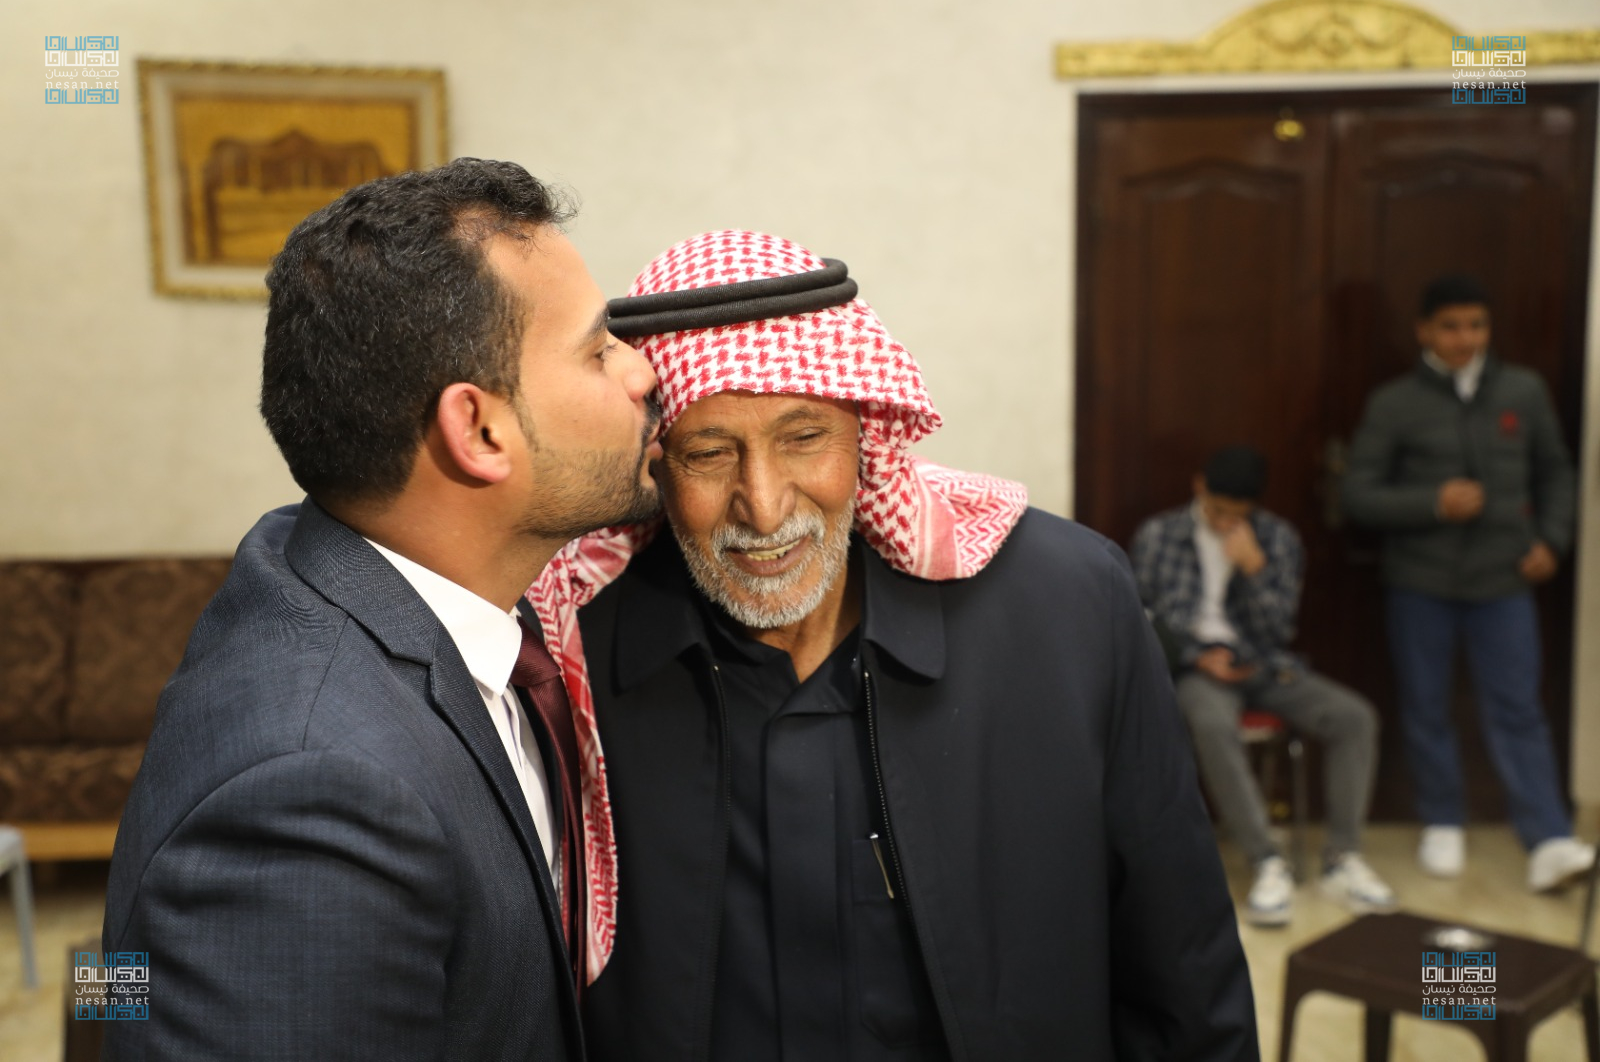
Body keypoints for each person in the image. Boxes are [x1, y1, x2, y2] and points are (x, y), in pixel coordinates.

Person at [523, 230, 1258, 1061]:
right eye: (709, 453)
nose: (764, 506)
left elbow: (1184, 972)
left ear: (866, 433)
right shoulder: (568, 652)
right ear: (655, 465)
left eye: (804, 438)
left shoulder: (1069, 609)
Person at [101, 158, 661, 1059]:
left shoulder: (387, 582)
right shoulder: (313, 791)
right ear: (478, 430)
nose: (641, 372)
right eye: (598, 352)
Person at [1343, 274, 1593, 893]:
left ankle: (1548, 837)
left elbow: (1557, 472)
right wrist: (1433, 503)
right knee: (1426, 705)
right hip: (1420, 582)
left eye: (1476, 325)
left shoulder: (1523, 391)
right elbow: (1358, 495)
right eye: (1451, 327)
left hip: (1503, 580)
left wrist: (1552, 541)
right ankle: (1442, 819)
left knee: (1518, 708)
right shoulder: (1394, 403)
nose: (1466, 339)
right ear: (1424, 331)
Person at [1131, 447, 1395, 928]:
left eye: (1237, 514)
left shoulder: (1277, 538)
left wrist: (1254, 569)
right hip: (1197, 669)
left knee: (1355, 717)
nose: (1224, 522)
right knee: (1211, 723)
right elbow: (1140, 621)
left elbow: (1279, 630)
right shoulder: (1159, 535)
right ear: (1199, 487)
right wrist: (1195, 655)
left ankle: (1342, 859)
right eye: (1217, 510)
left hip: (1265, 667)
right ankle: (1266, 859)